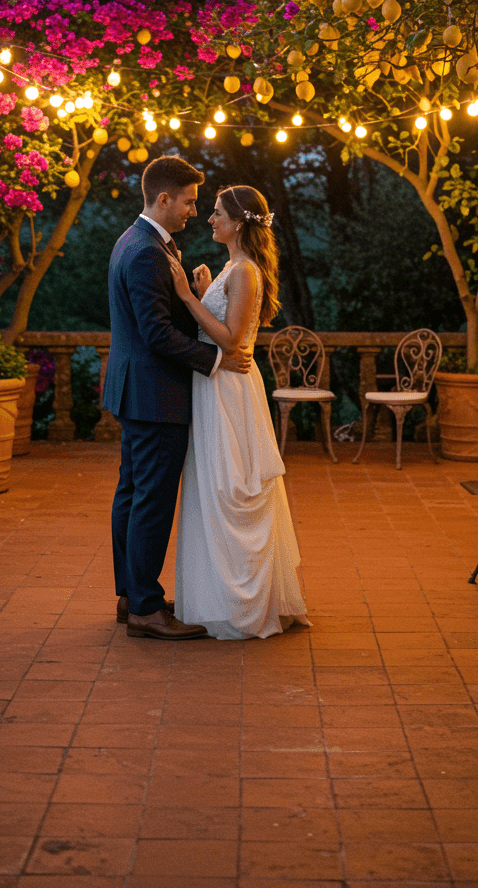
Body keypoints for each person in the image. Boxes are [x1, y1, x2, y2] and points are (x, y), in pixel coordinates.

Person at [102, 156, 253, 641]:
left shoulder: (137, 240)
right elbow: (157, 335)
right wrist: (215, 361)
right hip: (155, 396)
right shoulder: (147, 251)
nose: (194, 211)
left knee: (131, 494)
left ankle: (133, 593)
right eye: (189, 201)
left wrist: (195, 296)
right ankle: (146, 607)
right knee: (151, 499)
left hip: (137, 391)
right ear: (163, 198)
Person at [168, 184, 309, 640]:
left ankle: (241, 603)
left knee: (231, 486)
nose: (209, 219)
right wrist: (209, 291)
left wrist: (189, 298)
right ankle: (219, 595)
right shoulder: (233, 269)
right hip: (216, 384)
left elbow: (231, 340)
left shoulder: (245, 271)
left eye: (216, 213)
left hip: (228, 387)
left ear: (238, 222)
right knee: (214, 485)